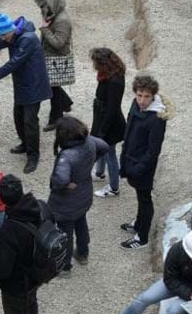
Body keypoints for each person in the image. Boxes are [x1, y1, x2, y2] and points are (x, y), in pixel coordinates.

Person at [0, 13, 52, 174]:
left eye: (4, 35)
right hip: (22, 84)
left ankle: (33, 155)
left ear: (11, 30)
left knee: (30, 121)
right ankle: (25, 143)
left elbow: (14, 62)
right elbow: (3, 41)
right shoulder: (14, 34)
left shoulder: (27, 39)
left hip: (33, 85)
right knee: (18, 117)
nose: (4, 39)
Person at [0, 175, 50, 314]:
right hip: (36, 274)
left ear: (2, 198)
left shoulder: (9, 230)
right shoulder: (40, 207)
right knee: (31, 304)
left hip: (17, 285)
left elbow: (3, 268)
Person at [48, 116, 108, 274]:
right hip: (84, 194)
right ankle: (83, 253)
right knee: (81, 223)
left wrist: (66, 184)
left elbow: (60, 180)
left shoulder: (67, 156)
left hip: (66, 203)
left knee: (65, 233)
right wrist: (91, 163)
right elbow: (104, 146)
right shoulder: (89, 141)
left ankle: (65, 266)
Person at [118, 74, 171, 249]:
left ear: (153, 96)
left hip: (142, 166)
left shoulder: (156, 118)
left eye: (146, 96)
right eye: (139, 95)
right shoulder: (136, 105)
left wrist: (138, 168)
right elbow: (129, 130)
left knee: (145, 199)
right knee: (140, 197)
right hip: (131, 160)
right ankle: (138, 223)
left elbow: (153, 150)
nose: (142, 100)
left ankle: (142, 237)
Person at [33, 0, 74, 131]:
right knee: (52, 86)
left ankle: (56, 118)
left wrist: (45, 29)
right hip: (49, 57)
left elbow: (58, 43)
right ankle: (66, 103)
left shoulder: (62, 21)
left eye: (46, 5)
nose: (43, 8)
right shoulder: (53, 14)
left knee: (53, 89)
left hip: (56, 59)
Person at [89, 47, 126, 199]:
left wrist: (102, 131)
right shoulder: (108, 75)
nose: (94, 66)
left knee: (110, 153)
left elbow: (112, 109)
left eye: (96, 63)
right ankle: (99, 173)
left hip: (110, 123)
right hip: (102, 118)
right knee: (102, 148)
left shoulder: (114, 81)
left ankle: (114, 188)